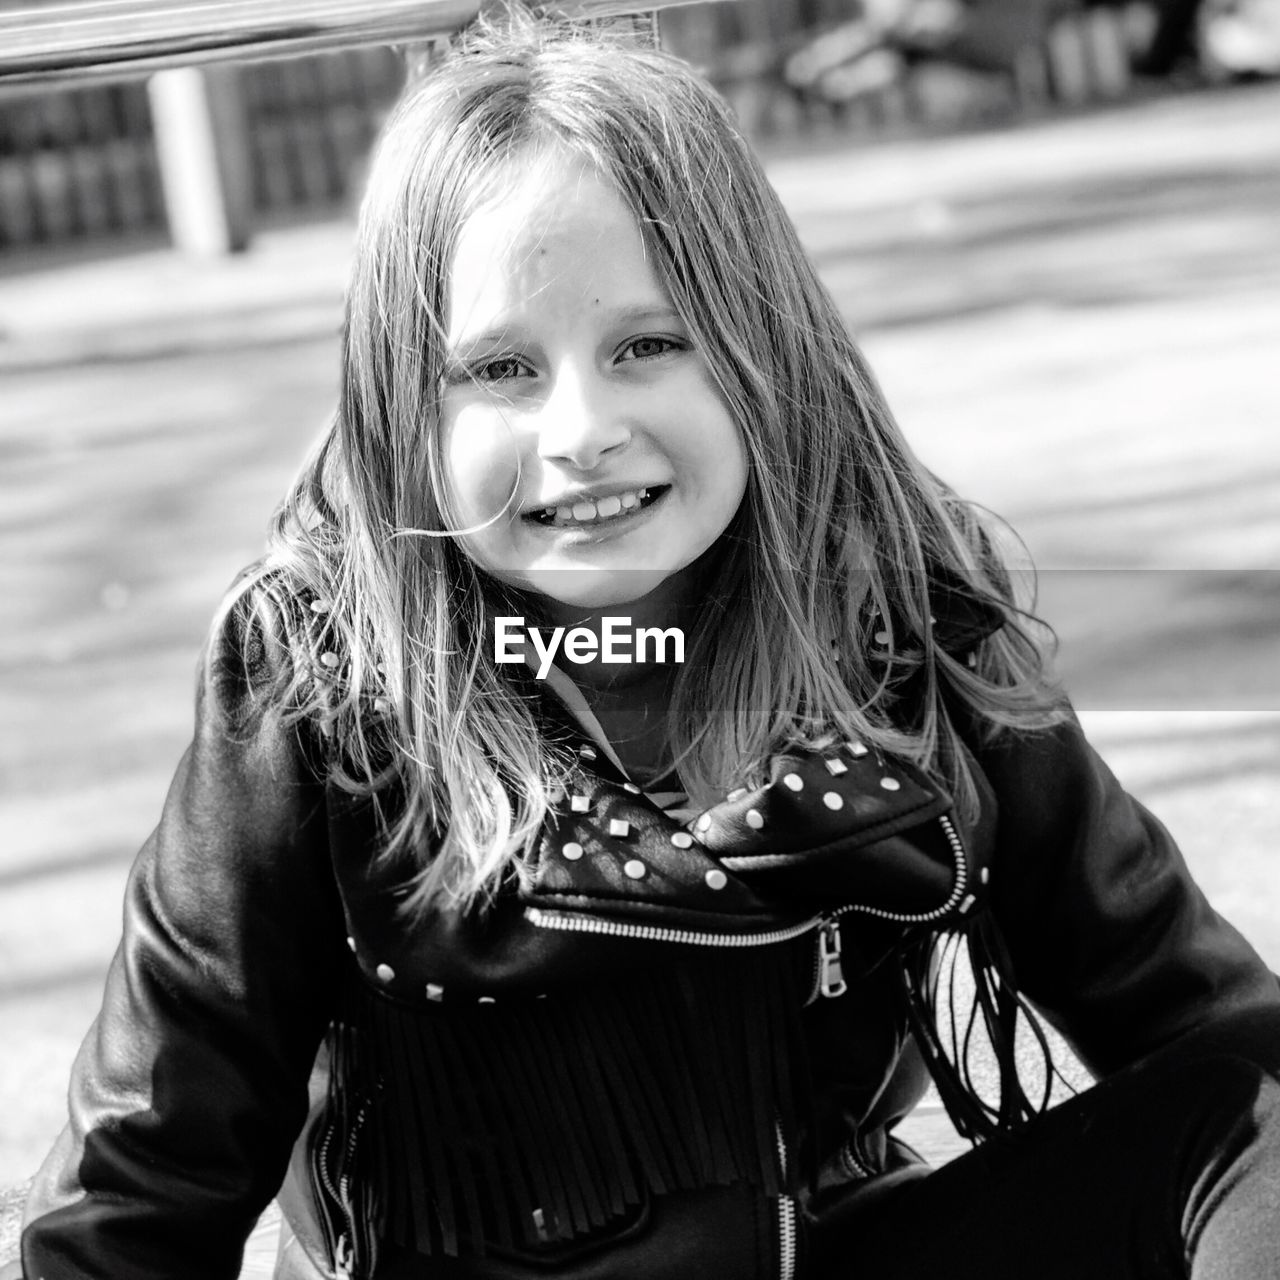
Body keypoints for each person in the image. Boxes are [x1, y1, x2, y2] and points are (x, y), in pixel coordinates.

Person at [10, 11, 1280, 1280]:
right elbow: (143, 1178)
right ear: (404, 406)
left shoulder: (893, 601)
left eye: (648, 344)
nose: (581, 428)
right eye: (499, 367)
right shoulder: (321, 674)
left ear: (760, 349)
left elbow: (1190, 1010)